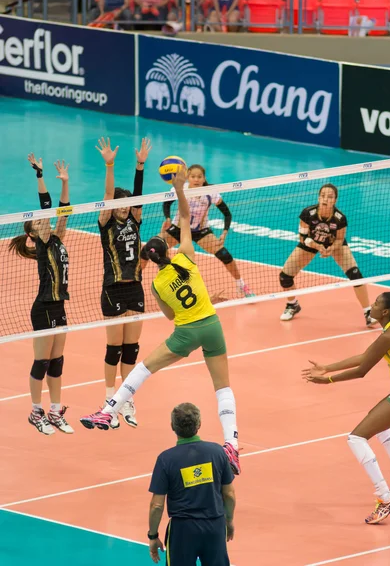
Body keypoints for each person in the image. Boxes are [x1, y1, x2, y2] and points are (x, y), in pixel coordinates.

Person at [80, 164, 241, 476]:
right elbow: (183, 217)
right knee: (223, 388)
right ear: (166, 249)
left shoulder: (156, 285)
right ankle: (232, 443)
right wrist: (180, 189)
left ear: (148, 259)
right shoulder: (186, 257)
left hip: (186, 332)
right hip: (212, 326)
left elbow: (171, 316)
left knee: (143, 368)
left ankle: (107, 410)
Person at [302, 292, 390, 524]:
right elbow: (366, 355)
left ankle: (385, 498)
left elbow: (362, 369)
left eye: (376, 304)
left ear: (385, 312)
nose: (372, 306)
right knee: (378, 424)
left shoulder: (389, 335)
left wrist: (327, 380)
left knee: (356, 438)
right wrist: (327, 367)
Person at [8, 154, 73, 436]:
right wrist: (40, 176)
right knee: (42, 362)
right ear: (34, 233)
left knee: (57, 362)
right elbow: (46, 207)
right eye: (37, 222)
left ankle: (56, 410)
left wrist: (66, 183)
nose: (42, 222)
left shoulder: (57, 238)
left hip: (59, 305)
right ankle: (36, 412)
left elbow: (63, 211)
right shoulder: (45, 243)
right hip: (43, 307)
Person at [96, 136, 151, 429]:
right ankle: (108, 400)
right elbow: (107, 195)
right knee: (114, 348)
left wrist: (140, 165)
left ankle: (126, 399)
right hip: (112, 288)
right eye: (119, 203)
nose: (123, 207)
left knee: (132, 348)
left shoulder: (135, 219)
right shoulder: (106, 222)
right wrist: (110, 165)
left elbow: (139, 193)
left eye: (127, 204)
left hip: (135, 287)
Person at [143, 164, 254, 299]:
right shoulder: (181, 188)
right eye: (193, 176)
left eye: (199, 177)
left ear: (204, 178)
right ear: (188, 177)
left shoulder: (210, 192)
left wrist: (224, 232)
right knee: (148, 250)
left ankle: (241, 285)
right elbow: (167, 203)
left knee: (225, 255)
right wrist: (167, 218)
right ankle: (136, 279)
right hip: (178, 229)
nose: (196, 179)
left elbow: (227, 214)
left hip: (201, 232)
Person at [147, 403, 235, 565]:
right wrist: (228, 521)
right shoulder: (217, 452)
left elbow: (157, 506)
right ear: (199, 424)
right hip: (214, 526)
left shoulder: (166, 459)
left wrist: (153, 536)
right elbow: (229, 494)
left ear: (172, 426)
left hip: (183, 531)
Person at [279, 183, 377, 326]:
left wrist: (331, 249)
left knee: (356, 275)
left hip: (334, 245)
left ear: (335, 200)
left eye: (330, 196)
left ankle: (368, 312)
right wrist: (318, 246)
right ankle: (292, 305)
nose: (325, 199)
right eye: (323, 195)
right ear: (318, 197)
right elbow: (302, 237)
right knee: (285, 277)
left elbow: (340, 239)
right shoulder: (307, 213)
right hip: (311, 243)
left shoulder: (339, 218)